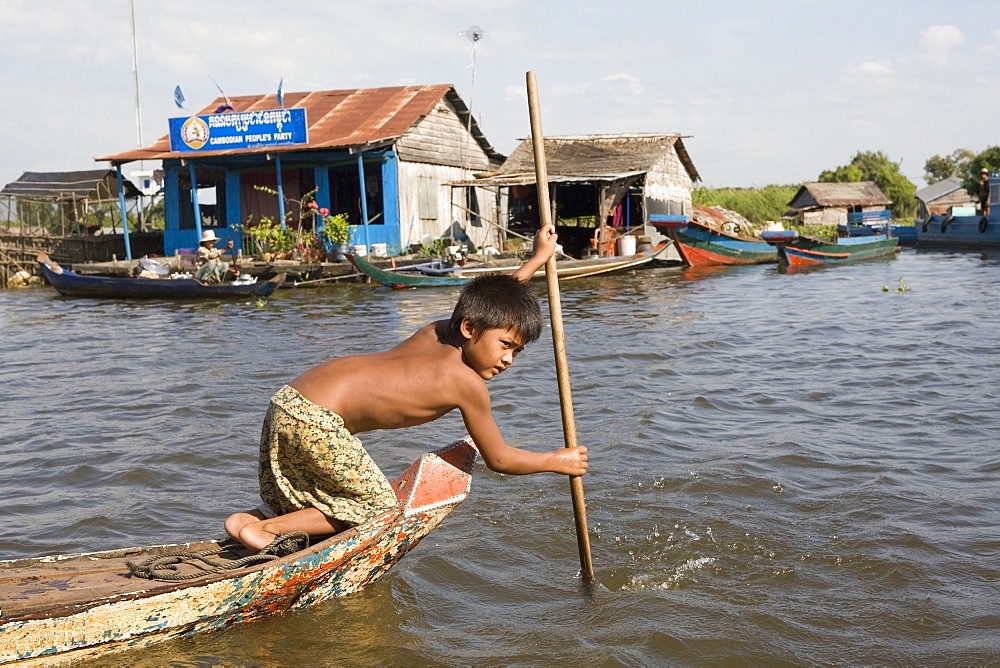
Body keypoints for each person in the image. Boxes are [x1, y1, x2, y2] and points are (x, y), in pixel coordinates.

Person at [225, 223, 588, 553]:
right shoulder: (466, 383)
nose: (509, 359)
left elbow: (493, 303)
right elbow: (500, 459)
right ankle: (263, 527)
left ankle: (254, 517)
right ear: (469, 329)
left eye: (517, 351)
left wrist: (536, 260)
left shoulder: (436, 331)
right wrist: (557, 460)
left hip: (289, 400)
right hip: (319, 420)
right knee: (379, 510)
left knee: (312, 496)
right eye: (506, 345)